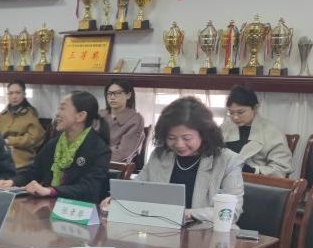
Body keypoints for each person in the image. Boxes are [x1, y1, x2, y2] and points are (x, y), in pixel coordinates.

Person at [102, 96, 244, 225]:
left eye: (187, 138)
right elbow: (138, 187)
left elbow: (232, 212)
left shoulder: (227, 161)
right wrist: (117, 199)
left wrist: (188, 213)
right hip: (161, 231)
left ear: (204, 134)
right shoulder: (160, 155)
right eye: (171, 138)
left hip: (206, 235)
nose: (179, 144)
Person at [0, 91, 111, 204]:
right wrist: (12, 182)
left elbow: (89, 188)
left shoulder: (99, 149)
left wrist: (51, 191)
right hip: (50, 204)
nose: (57, 113)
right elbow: (34, 172)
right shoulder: (54, 144)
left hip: (80, 210)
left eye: (62, 108)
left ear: (80, 116)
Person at [222, 85, 294, 177]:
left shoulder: (272, 131)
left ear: (255, 108)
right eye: (231, 113)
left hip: (255, 182)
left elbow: (281, 169)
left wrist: (253, 171)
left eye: (240, 112)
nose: (235, 117)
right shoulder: (224, 128)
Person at [0, 80, 46, 170]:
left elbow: (35, 138)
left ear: (24, 94)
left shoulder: (30, 114)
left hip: (21, 159)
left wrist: (10, 141)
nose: (14, 96)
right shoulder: (3, 114)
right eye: (11, 93)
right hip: (2, 153)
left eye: (18, 93)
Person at [104, 78, 146, 165]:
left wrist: (94, 154)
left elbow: (122, 153)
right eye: (109, 93)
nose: (112, 97)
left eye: (117, 93)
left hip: (115, 167)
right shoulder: (99, 115)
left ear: (128, 95)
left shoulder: (136, 119)